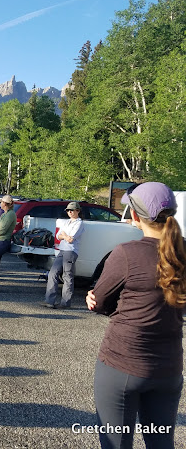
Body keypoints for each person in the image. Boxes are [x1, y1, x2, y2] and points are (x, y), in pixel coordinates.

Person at [86, 182, 184, 449]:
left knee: (116, 442)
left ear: (135, 215)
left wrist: (94, 299)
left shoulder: (127, 253)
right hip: (169, 368)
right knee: (161, 442)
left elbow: (100, 303)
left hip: (122, 364)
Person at [41, 201, 84, 309]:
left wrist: (64, 235)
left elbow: (70, 239)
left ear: (78, 211)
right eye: (68, 210)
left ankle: (65, 303)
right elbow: (58, 236)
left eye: (72, 210)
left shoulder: (79, 223)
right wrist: (65, 236)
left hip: (71, 251)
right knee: (52, 273)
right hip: (62, 249)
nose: (69, 212)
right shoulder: (66, 222)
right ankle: (49, 301)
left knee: (67, 276)